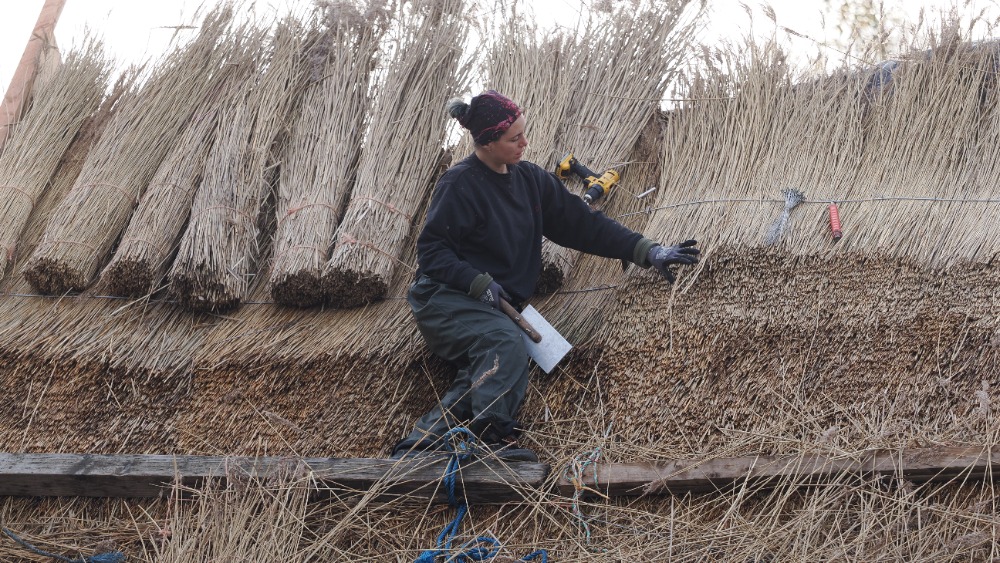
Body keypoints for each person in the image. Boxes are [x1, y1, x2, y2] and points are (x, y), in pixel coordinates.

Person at [390, 90, 699, 462]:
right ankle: (491, 440)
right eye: (513, 138)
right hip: (445, 296)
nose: (525, 143)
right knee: (503, 343)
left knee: (486, 369)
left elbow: (583, 224)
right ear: (487, 142)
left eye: (524, 132)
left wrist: (646, 250)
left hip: (495, 304)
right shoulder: (460, 185)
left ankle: (418, 447)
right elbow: (433, 252)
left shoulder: (530, 180)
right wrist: (478, 282)